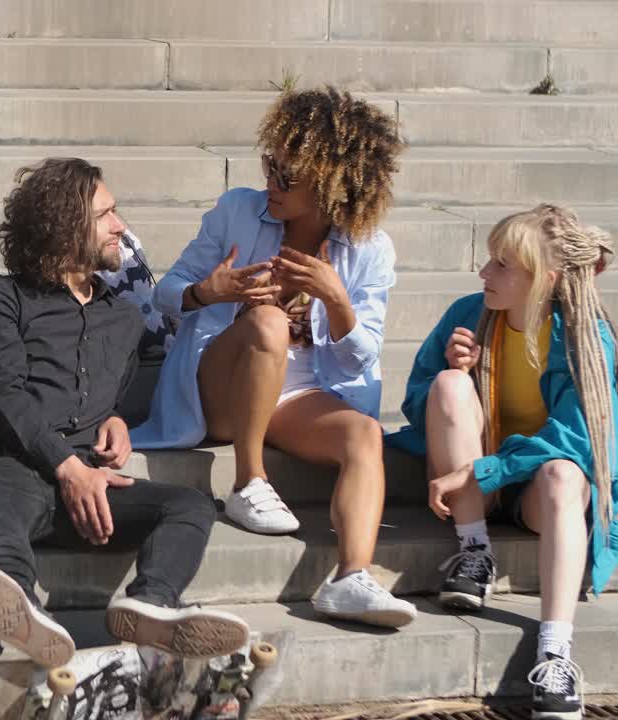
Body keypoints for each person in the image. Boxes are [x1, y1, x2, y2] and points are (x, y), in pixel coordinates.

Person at [0, 157, 250, 668]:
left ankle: (151, 605)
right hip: (0, 464)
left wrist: (113, 421)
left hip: (83, 486)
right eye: (105, 215)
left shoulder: (122, 319)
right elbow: (2, 395)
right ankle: (20, 617)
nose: (120, 226)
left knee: (190, 506)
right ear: (63, 224)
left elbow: (99, 395)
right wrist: (67, 467)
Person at [130, 87, 416, 628]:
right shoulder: (237, 211)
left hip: (299, 394)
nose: (272, 183)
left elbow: (359, 361)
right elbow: (166, 293)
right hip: (219, 384)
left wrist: (336, 300)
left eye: (289, 176)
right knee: (266, 322)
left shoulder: (370, 250)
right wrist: (206, 293)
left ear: (331, 186)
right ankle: (248, 482)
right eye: (271, 166)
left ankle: (351, 577)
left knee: (364, 435)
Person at [389, 205, 618, 720]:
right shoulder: (468, 313)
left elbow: (578, 441)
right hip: (479, 483)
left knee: (563, 472)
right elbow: (416, 402)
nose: (484, 272)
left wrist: (484, 470)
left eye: (502, 264)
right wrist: (459, 372)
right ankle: (475, 552)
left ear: (546, 278)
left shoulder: (586, 336)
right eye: (490, 260)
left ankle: (555, 654)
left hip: (537, 494)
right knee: (448, 386)